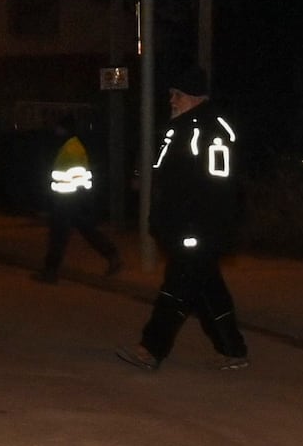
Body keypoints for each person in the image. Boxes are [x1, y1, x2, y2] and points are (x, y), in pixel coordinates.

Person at [133, 74, 249, 368]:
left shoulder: (211, 130)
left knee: (177, 288)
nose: (172, 101)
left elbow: (217, 185)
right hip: (181, 226)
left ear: (197, 97)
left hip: (199, 228)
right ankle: (233, 350)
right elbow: (167, 178)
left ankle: (151, 349)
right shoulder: (179, 128)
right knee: (209, 290)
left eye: (178, 94)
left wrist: (202, 225)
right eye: (171, 94)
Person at [36, 126, 114, 281]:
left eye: (59, 129)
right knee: (84, 229)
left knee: (58, 235)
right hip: (73, 198)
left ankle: (50, 272)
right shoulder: (72, 146)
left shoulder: (70, 149)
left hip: (67, 198)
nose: (56, 132)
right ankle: (112, 256)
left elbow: (70, 176)